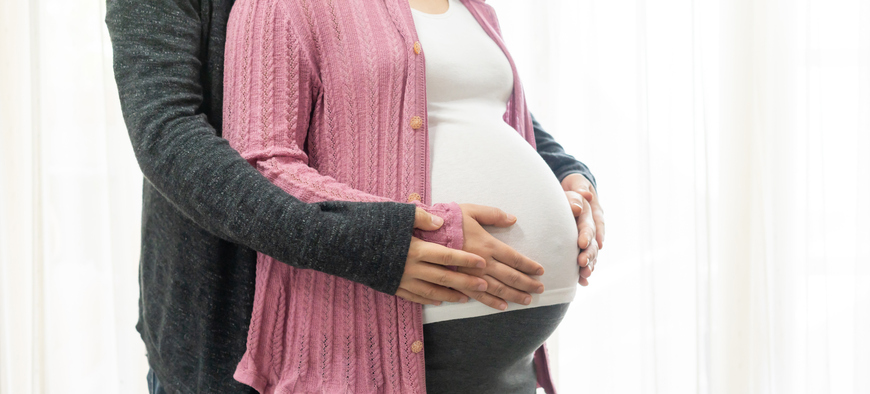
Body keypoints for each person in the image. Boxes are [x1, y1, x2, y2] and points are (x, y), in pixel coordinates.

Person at [105, 0, 605, 392]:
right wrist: (377, 244)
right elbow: (167, 134)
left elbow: (438, 85)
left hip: (490, 360)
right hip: (233, 322)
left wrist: (562, 170)